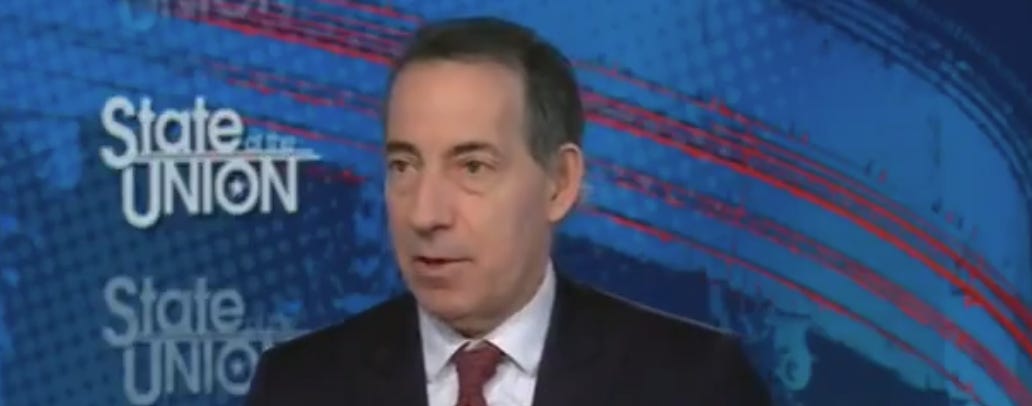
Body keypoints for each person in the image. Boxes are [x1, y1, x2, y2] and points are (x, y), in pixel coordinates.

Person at [244, 16, 771, 406]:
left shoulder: (694, 384)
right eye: (404, 166)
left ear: (559, 183)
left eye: (472, 167)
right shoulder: (297, 387)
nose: (425, 214)